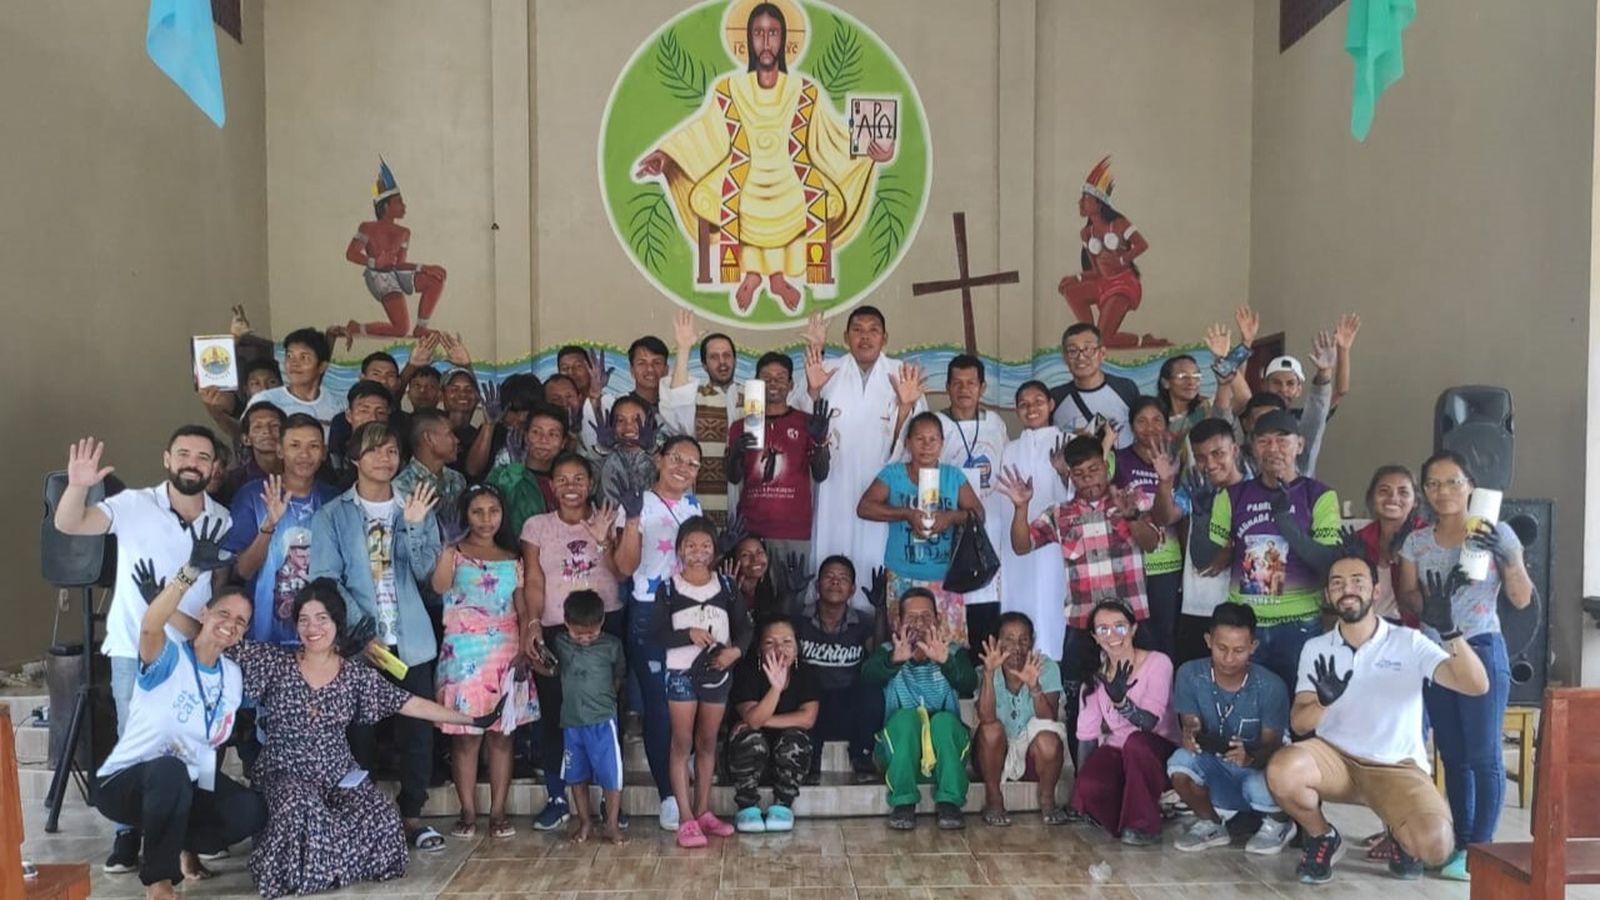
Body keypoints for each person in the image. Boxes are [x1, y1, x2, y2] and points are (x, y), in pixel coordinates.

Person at [228, 579, 495, 897]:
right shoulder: (275, 663)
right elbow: (217, 641)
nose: (313, 628)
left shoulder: (354, 675)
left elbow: (408, 703)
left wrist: (472, 719)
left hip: (337, 773)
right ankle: (320, 864)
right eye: (304, 619)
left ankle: (324, 863)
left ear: (337, 623)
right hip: (285, 771)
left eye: (321, 618)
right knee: (303, 808)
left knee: (379, 813)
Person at [634, 2, 889, 316]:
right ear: (747, 40)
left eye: (773, 34)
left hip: (792, 173)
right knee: (718, 197)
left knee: (819, 200)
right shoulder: (729, 89)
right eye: (758, 33)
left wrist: (873, 151)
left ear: (784, 40)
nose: (766, 42)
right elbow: (705, 132)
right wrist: (665, 155)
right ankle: (753, 274)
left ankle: (776, 277)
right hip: (743, 171)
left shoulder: (805, 90)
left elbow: (832, 135)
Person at [54, 430, 231, 875]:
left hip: (191, 653)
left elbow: (216, 595)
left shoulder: (222, 519)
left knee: (189, 746)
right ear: (167, 458)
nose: (193, 462)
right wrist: (78, 485)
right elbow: (69, 524)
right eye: (184, 453)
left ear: (214, 468)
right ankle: (126, 833)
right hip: (135, 650)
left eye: (203, 457)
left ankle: (183, 838)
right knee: (136, 744)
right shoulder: (133, 504)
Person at [1267, 554, 1490, 884]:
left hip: (1396, 766)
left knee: (1436, 846)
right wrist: (1325, 703)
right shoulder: (1316, 647)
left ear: (1375, 589)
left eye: (1357, 581)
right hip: (1336, 761)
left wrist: (1450, 631)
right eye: (1337, 583)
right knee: (1282, 770)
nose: (1348, 590)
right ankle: (1323, 836)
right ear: (1328, 595)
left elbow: (1476, 685)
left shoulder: (1409, 642)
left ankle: (1401, 837)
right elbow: (1300, 724)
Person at [95, 521, 263, 900]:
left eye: (240, 622)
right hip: (125, 782)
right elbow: (152, 625)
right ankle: (159, 881)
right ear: (204, 613)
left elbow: (209, 745)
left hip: (180, 782)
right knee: (169, 770)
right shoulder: (168, 658)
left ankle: (184, 845)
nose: (230, 625)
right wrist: (189, 573)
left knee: (248, 810)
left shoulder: (232, 675)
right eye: (224, 614)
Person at [1394, 450, 1534, 880]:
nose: (1443, 492)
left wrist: (1507, 557)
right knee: (1452, 755)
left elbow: (1521, 598)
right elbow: (1409, 598)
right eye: (1433, 484)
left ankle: (1481, 848)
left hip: (1481, 646)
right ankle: (1461, 842)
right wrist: (1430, 609)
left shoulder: (1497, 532)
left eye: (1453, 482)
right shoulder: (1416, 541)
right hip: (1436, 654)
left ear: (1470, 486)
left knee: (1484, 754)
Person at [308, 421, 445, 851]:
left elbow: (428, 575)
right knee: (357, 736)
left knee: (417, 735)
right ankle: (358, 817)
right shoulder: (333, 514)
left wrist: (418, 525)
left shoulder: (413, 505)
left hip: (412, 642)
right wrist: (358, 634)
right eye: (373, 451)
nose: (384, 459)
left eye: (390, 450)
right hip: (357, 646)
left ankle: (412, 817)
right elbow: (325, 580)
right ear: (354, 459)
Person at [995, 435, 1158, 760]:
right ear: (1069, 475)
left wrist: (1132, 517)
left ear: (1105, 465)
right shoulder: (1060, 513)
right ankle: (1086, 785)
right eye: (1079, 474)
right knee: (1079, 704)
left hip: (1132, 623)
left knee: (1142, 699)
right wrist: (1021, 507)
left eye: (1094, 470)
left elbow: (1151, 543)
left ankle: (1140, 773)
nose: (1089, 480)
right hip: (1082, 625)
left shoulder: (1131, 499)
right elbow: (1021, 545)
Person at [1198, 409, 1342, 693]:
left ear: (1299, 445)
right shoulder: (1233, 495)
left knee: (1301, 709)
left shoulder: (1319, 495)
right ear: (1252, 448)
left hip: (1299, 624)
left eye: (1282, 440)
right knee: (1249, 711)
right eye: (1263, 441)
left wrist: (1287, 525)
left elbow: (1328, 564)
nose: (1273, 448)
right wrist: (1202, 514)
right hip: (1245, 627)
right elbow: (1204, 561)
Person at [520, 453, 626, 831]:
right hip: (555, 628)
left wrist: (603, 542)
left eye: (578, 479)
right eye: (562, 479)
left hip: (604, 625)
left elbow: (621, 571)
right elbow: (533, 580)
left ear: (590, 483)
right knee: (557, 716)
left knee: (607, 715)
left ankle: (610, 802)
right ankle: (557, 797)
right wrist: (531, 624)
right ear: (550, 485)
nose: (570, 487)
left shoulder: (607, 518)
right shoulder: (536, 526)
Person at [431, 484, 537, 840]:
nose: (486, 519)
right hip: (462, 654)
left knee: (502, 737)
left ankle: (497, 812)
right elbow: (439, 585)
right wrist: (447, 547)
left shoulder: (513, 556)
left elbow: (521, 606)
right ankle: (468, 812)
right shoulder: (455, 552)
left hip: (505, 652)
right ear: (465, 515)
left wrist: (524, 647)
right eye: (477, 511)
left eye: (493, 510)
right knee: (465, 738)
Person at [613, 435, 705, 830]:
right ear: (660, 458)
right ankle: (668, 795)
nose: (683, 467)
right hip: (649, 613)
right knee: (659, 708)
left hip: (688, 612)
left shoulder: (692, 505)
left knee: (686, 705)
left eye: (693, 463)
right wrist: (633, 521)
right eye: (676, 458)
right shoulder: (637, 503)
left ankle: (686, 790)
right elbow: (623, 566)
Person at [805, 306, 927, 597]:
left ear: (885, 338)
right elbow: (806, 426)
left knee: (877, 561)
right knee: (829, 547)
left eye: (873, 330)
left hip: (882, 488)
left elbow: (917, 443)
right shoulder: (826, 370)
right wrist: (812, 392)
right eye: (858, 330)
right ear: (846, 337)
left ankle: (876, 624)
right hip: (834, 484)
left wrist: (906, 408)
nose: (865, 337)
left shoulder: (902, 374)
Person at [653, 517, 752, 848]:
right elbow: (657, 635)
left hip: (718, 673)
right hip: (680, 675)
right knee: (682, 743)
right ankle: (685, 818)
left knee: (708, 741)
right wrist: (687, 634)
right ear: (680, 549)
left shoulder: (726, 587)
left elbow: (746, 629)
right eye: (690, 546)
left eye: (705, 546)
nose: (698, 552)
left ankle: (703, 810)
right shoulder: (668, 589)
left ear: (714, 551)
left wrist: (735, 653)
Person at [1167, 603, 1295, 855]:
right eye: (1221, 648)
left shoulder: (1271, 686)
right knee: (1180, 763)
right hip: (1217, 766)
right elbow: (1190, 723)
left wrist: (1250, 758)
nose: (1228, 659)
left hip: (1258, 771)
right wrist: (1190, 735)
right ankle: (1211, 823)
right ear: (1208, 640)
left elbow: (1273, 745)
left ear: (1253, 647)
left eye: (1239, 650)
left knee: (1257, 786)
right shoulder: (1190, 674)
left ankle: (1279, 823)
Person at [857, 411, 984, 645]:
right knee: (904, 647)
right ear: (907, 443)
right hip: (902, 576)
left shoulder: (952, 476)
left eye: (933, 439)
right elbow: (864, 507)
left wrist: (951, 517)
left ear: (942, 443)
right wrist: (905, 513)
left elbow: (979, 514)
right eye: (919, 439)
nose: (926, 446)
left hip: (946, 578)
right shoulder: (893, 474)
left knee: (947, 650)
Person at [862, 588, 977, 831]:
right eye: (912, 617)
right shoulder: (888, 651)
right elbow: (867, 677)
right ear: (898, 622)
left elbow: (969, 683)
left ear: (937, 620)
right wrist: (895, 660)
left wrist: (946, 662)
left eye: (926, 616)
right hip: (901, 757)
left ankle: (950, 802)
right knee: (904, 719)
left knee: (944, 722)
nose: (919, 623)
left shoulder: (952, 651)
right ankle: (903, 803)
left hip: (945, 755)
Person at [1069, 600, 1179, 846]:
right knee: (1088, 787)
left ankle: (1143, 825)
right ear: (1095, 637)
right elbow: (1086, 737)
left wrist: (1121, 702)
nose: (1112, 636)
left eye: (1119, 627)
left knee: (1136, 744)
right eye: (1103, 629)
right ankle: (1136, 815)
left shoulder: (1158, 663)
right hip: (1118, 753)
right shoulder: (1094, 679)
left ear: (1133, 629)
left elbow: (1149, 723)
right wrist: (1082, 785)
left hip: (1157, 751)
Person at [225, 414, 337, 646]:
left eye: (313, 446)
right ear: (280, 450)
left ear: (324, 452)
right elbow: (241, 572)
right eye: (295, 445)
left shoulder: (333, 500)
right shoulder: (254, 496)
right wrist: (268, 526)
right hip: (263, 636)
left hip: (319, 639)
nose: (304, 455)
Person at [530, 589, 629, 845]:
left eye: (591, 633)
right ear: (566, 624)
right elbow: (553, 670)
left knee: (611, 775)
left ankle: (611, 824)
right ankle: (585, 822)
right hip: (571, 722)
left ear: (602, 623)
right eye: (578, 633)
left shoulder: (612, 645)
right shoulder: (561, 644)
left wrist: (606, 699)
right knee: (575, 775)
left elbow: (619, 675)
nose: (585, 638)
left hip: (603, 722)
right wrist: (531, 662)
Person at [934, 355, 1010, 649]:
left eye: (971, 383)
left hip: (989, 532)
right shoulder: (937, 424)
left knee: (986, 614)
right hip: (947, 531)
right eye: (957, 383)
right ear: (947, 387)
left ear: (982, 387)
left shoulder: (995, 423)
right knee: (950, 613)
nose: (964, 390)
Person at [727, 351, 831, 561]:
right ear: (756, 383)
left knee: (791, 591)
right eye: (766, 378)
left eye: (781, 378)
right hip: (750, 531)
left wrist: (819, 441)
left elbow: (820, 474)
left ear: (791, 385)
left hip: (793, 531)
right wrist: (735, 454)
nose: (773, 383)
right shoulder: (741, 426)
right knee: (749, 593)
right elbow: (733, 477)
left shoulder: (806, 423)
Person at [793, 556, 885, 785]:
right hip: (810, 705)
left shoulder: (863, 622)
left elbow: (879, 654)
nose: (835, 583)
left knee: (871, 687)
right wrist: (790, 596)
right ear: (817, 585)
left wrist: (881, 610)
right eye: (829, 577)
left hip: (848, 705)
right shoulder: (800, 619)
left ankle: (862, 756)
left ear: (852, 589)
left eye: (843, 579)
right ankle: (810, 759)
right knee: (806, 687)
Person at [997, 381, 1071, 658]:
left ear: (1051, 404)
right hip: (1017, 548)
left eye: (1038, 401)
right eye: (1023, 404)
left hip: (1056, 549)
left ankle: (1054, 672)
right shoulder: (1010, 449)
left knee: (1053, 607)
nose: (1031, 408)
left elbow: (1077, 495)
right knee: (1020, 604)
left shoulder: (1068, 442)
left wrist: (1065, 473)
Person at [973, 613, 1069, 827]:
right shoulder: (987, 667)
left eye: (1023, 639)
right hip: (996, 753)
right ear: (997, 641)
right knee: (991, 729)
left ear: (1032, 641)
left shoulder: (1046, 666)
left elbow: (1049, 718)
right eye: (1008, 639)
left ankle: (1047, 799)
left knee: (1048, 738)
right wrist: (989, 674)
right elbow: (986, 717)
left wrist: (1034, 686)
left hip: (1031, 752)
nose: (1016, 646)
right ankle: (994, 799)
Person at [727, 618, 820, 833]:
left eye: (787, 641)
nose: (779, 648)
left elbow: (807, 719)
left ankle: (783, 804)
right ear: (759, 648)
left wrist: (759, 721)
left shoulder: (806, 673)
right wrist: (775, 690)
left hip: (786, 760)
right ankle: (747, 806)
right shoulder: (747, 673)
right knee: (750, 738)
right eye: (770, 643)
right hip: (750, 760)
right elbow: (752, 719)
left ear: (797, 647)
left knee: (795, 737)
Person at [1110, 396, 1186, 656]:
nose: (1149, 427)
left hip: (1167, 562)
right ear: (1131, 425)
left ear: (1166, 424)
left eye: (1156, 420)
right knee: (1134, 633)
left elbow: (1176, 514)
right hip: (1129, 561)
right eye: (1141, 421)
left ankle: (1165, 693)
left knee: (1165, 633)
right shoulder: (1119, 459)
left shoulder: (1177, 460)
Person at [341, 158, 448, 340]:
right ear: (386, 206)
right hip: (379, 277)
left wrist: (424, 268)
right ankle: (358, 327)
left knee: (436, 278)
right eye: (399, 202)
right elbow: (351, 254)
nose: (404, 206)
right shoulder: (367, 228)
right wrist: (375, 262)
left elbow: (400, 264)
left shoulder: (404, 232)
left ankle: (421, 328)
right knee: (400, 329)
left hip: (395, 273)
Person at [1057, 156, 1157, 349]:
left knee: (1105, 340)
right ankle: (1087, 336)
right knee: (1071, 292)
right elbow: (1097, 271)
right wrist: (1076, 278)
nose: (1080, 203)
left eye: (1086, 198)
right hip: (1103, 283)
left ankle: (1144, 341)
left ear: (1099, 203)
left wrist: (1122, 259)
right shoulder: (1087, 233)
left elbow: (1141, 245)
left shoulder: (1119, 224)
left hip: (1122, 284)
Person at [1178, 419, 1246, 665]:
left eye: (1218, 454)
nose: (1210, 464)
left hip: (1239, 611)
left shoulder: (1254, 492)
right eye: (1201, 457)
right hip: (1196, 606)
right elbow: (1202, 559)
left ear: (1235, 450)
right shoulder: (1196, 488)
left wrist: (1232, 549)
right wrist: (1201, 515)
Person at [664, 311, 739, 524]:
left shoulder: (751, 399)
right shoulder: (696, 397)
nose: (722, 362)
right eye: (714, 357)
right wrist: (684, 349)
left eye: (727, 356)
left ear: (735, 360)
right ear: (705, 365)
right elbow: (678, 399)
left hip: (744, 504)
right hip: (705, 508)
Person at [1353, 464, 1426, 625]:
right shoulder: (1360, 539)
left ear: (1415, 501)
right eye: (1384, 491)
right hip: (1368, 629)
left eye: (1403, 492)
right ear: (1372, 497)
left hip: (1413, 634)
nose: (1393, 498)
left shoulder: (1428, 539)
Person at [1049, 324, 1140, 448]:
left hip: (1122, 466)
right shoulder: (1055, 397)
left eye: (1088, 349)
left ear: (1102, 353)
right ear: (1065, 357)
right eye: (1072, 351)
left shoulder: (1125, 388)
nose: (1081, 357)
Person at [486, 403, 568, 535]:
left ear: (563, 442)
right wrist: (515, 470)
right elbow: (491, 505)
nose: (543, 440)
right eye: (536, 432)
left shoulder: (567, 481)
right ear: (525, 435)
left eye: (553, 435)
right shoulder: (501, 473)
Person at [246, 328, 347, 430]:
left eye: (304, 357)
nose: (294, 363)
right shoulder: (265, 400)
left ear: (322, 367)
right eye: (289, 356)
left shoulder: (338, 406)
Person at [393, 409, 466, 525]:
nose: (456, 440)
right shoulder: (402, 486)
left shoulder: (457, 479)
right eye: (449, 433)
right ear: (429, 439)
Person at [594, 394, 660, 508]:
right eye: (620, 420)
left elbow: (672, 483)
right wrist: (602, 450)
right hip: (610, 523)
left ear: (649, 421)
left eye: (636, 419)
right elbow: (587, 485)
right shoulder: (602, 455)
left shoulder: (664, 455)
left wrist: (653, 451)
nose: (628, 426)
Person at [217, 402, 286, 505]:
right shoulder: (233, 482)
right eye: (258, 427)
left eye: (274, 425)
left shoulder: (302, 471)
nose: (267, 431)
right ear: (246, 439)